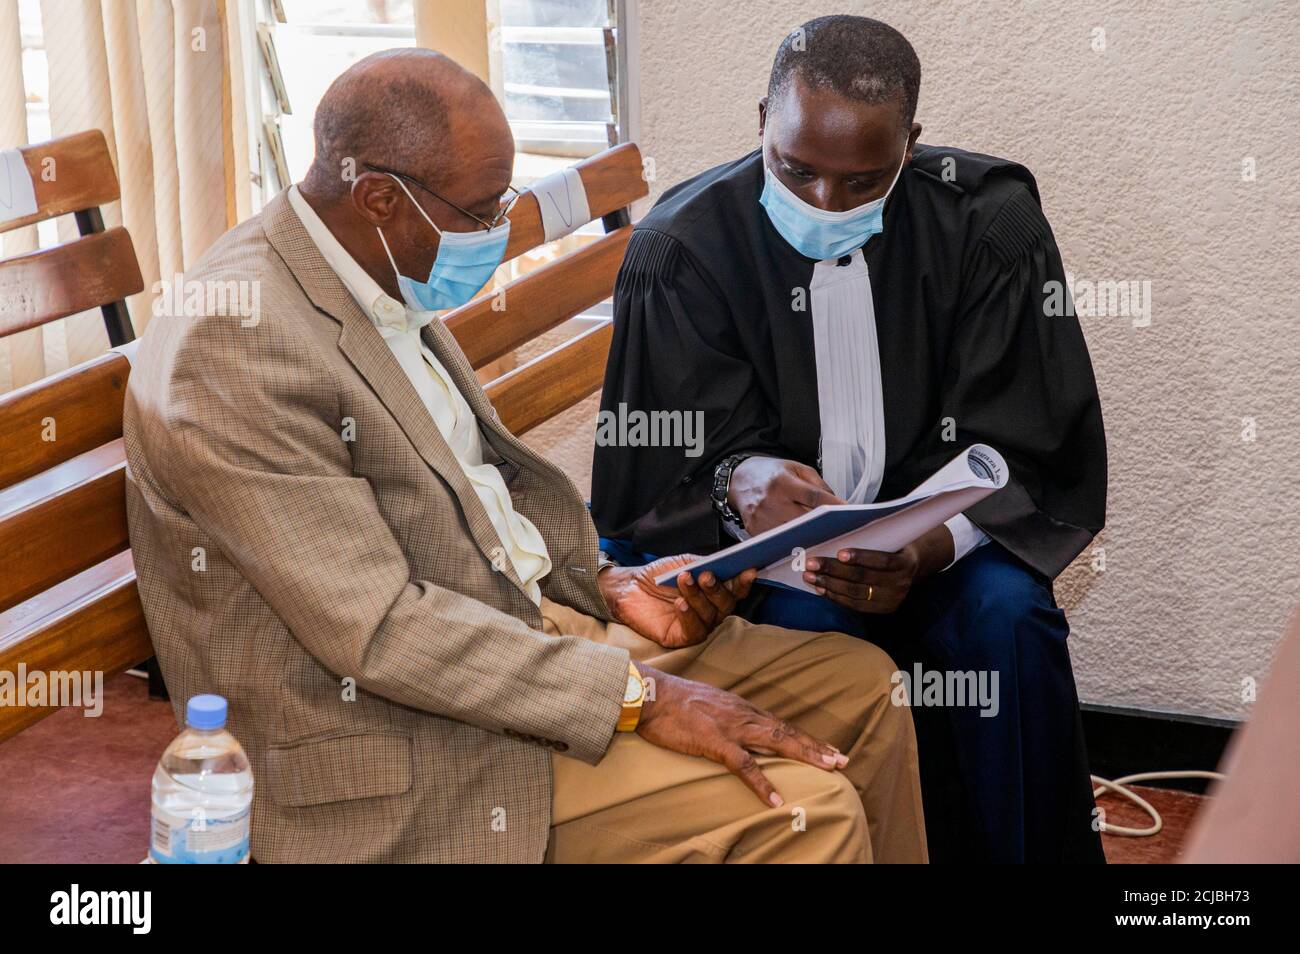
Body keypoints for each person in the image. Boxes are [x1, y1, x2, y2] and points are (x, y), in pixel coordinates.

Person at [122, 48, 927, 863]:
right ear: (377, 198)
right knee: (806, 809)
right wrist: (638, 694)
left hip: (518, 633)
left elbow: (469, 504)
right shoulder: (233, 350)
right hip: (397, 731)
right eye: (481, 210)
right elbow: (378, 630)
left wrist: (606, 584)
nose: (499, 231)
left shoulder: (369, 266)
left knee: (866, 691)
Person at [591, 15, 1107, 862]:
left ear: (912, 143)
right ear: (761, 120)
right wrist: (735, 485)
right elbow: (647, 486)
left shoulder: (989, 230)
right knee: (817, 630)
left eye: (865, 180)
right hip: (770, 572)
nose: (824, 202)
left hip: (940, 549)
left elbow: (1029, 442)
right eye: (795, 169)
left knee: (1008, 620)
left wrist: (932, 545)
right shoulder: (683, 251)